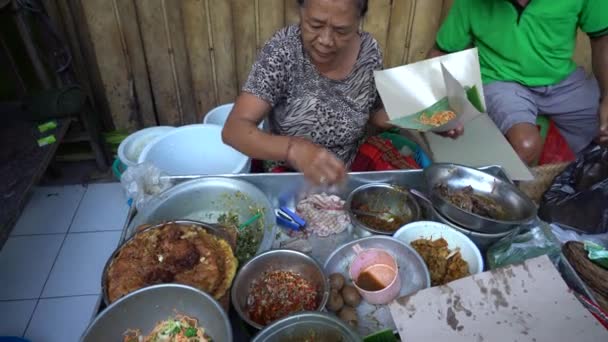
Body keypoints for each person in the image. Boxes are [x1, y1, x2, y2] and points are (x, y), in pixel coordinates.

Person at [222, 0, 460, 186]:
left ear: (359, 21)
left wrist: (430, 118)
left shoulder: (369, 51)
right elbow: (234, 130)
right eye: (314, 25)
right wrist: (293, 149)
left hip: (347, 170)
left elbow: (375, 112)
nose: (325, 40)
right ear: (301, 12)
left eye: (342, 31)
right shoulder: (283, 51)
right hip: (288, 175)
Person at [428, 0, 608, 165]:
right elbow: (441, 52)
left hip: (563, 81)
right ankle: (505, 195)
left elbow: (603, 38)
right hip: (501, 80)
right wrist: (440, 105)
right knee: (525, 145)